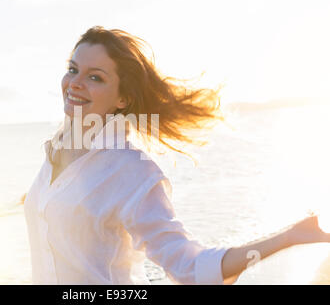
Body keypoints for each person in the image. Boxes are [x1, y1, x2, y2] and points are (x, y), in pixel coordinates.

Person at [23, 26, 330, 285]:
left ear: (123, 98)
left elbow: (187, 265)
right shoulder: (60, 145)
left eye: (95, 77)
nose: (74, 82)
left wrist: (290, 236)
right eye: (73, 69)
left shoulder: (130, 169)